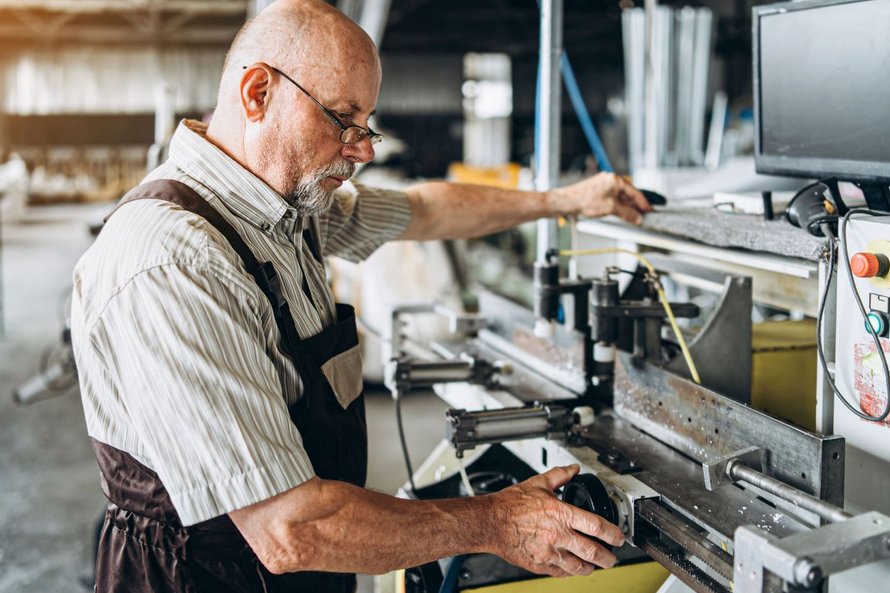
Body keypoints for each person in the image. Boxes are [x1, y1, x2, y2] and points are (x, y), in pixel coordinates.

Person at [71, 1, 652, 591]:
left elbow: (423, 210)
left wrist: (565, 202)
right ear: (257, 93)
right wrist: (498, 523)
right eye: (342, 118)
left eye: (365, 123)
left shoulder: (284, 209)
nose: (364, 149)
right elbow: (290, 529)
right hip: (202, 577)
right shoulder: (176, 263)